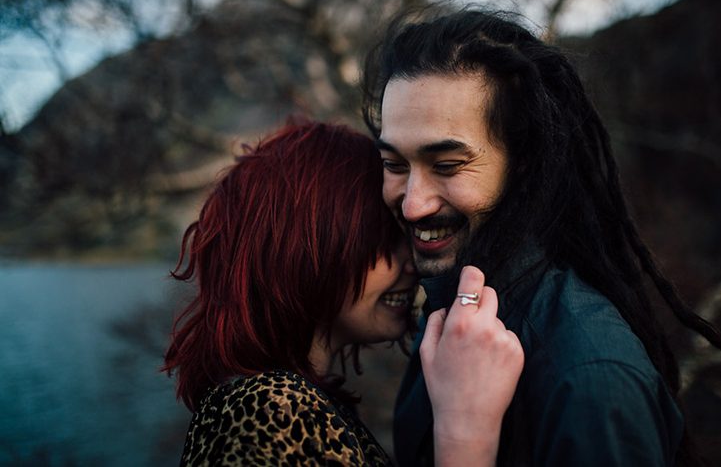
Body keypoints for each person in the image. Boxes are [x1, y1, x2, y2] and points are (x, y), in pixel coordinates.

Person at [361, 8, 721, 466]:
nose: (413, 203)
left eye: (447, 166)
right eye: (395, 165)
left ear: (524, 166)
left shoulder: (589, 379)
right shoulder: (450, 314)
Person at [163, 119, 523, 466]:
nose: (410, 263)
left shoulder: (287, 404)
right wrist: (465, 433)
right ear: (307, 249)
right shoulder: (269, 412)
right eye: (384, 239)